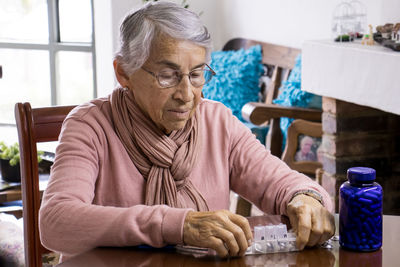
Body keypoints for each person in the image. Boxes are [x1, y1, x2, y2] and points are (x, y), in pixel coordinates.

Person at [39, 1, 334, 261]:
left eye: (196, 75)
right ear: (123, 72)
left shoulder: (217, 121)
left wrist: (305, 198)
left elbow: (280, 182)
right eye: (167, 76)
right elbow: (56, 222)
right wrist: (179, 225)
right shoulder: (90, 125)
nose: (187, 94)